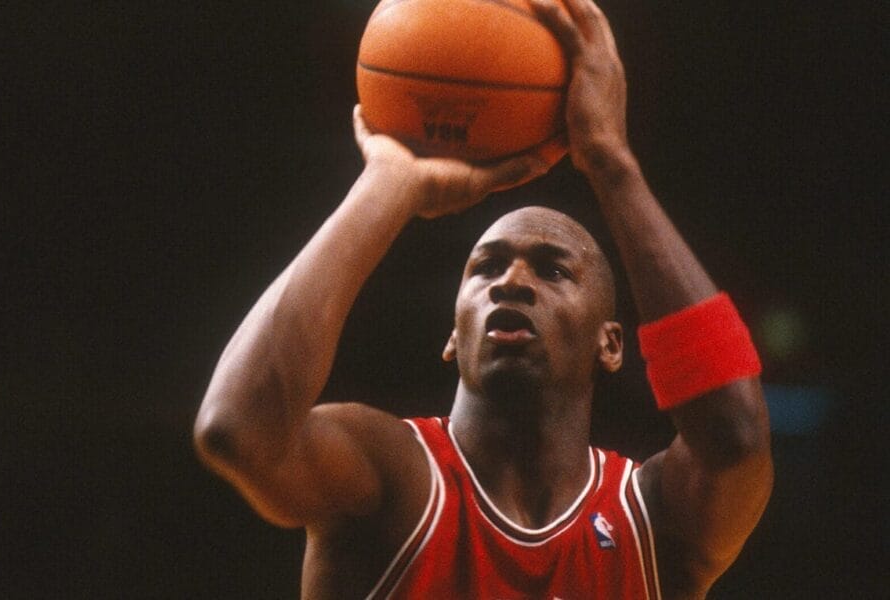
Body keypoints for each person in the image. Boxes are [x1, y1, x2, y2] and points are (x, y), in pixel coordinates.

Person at [194, 0, 773, 598]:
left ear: (611, 344)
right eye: (486, 266)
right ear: (452, 334)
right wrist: (387, 185)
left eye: (552, 270)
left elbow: (737, 438)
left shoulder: (652, 518)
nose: (511, 281)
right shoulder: (392, 476)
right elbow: (237, 428)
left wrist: (610, 163)